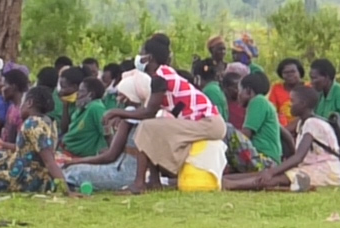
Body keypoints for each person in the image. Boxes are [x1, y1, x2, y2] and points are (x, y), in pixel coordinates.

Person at [108, 33, 225, 191]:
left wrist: (117, 112)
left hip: (208, 123)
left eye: (142, 53)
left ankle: (139, 183)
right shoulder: (163, 73)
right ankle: (154, 181)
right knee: (152, 129)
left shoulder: (160, 78)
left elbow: (149, 112)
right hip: (204, 121)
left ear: (148, 58)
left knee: (146, 127)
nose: (139, 56)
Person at [223, 84, 340, 192]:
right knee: (268, 173)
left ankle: (231, 185)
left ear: (302, 104)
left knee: (276, 178)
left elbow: (298, 157)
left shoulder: (312, 123)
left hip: (328, 170)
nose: (289, 105)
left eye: (292, 101)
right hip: (312, 167)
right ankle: (223, 179)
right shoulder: (302, 123)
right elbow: (290, 142)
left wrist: (272, 171)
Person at [63, 69, 150, 193]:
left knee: (74, 172)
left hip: (122, 174)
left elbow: (110, 156)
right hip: (127, 171)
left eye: (121, 95)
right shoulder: (141, 115)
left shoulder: (128, 118)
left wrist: (77, 161)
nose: (118, 98)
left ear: (130, 97)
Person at [0, 86, 70, 195]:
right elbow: (28, 149)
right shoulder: (48, 121)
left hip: (26, 178)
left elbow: (49, 162)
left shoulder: (33, 124)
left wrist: (66, 190)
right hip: (28, 171)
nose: (20, 107)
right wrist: (3, 144)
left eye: (23, 103)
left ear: (29, 103)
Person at [224, 70, 283, 175]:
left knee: (225, 128)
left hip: (265, 161)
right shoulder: (264, 103)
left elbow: (246, 134)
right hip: (267, 160)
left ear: (248, 91)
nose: (238, 95)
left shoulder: (257, 101)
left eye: (240, 90)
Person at [60, 75, 112, 158]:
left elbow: (107, 133)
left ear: (91, 94)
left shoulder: (96, 108)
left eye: (81, 91)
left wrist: (111, 152)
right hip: (67, 151)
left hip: (81, 158)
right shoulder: (82, 107)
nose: (77, 94)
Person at [268, 58, 306, 128]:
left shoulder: (308, 87)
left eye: (293, 72)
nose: (289, 75)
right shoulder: (276, 88)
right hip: (282, 128)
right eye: (286, 72)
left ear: (300, 72)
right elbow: (272, 112)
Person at [0, 67, 31, 145]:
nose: (1, 89)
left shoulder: (23, 111)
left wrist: (2, 145)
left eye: (4, 85)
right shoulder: (12, 108)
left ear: (13, 87)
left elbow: (21, 146)